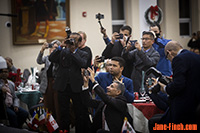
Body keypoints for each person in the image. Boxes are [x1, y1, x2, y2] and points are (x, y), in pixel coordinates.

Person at [150, 41, 200, 128]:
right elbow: (192, 78)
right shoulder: (195, 56)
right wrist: (174, 79)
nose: (169, 60)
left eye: (167, 57)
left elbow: (178, 85)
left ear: (169, 52)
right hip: (196, 103)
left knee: (159, 125)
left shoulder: (178, 58)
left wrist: (164, 88)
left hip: (184, 106)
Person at [49, 32, 88, 132]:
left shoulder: (83, 53)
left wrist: (73, 51)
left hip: (76, 86)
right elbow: (51, 58)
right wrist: (60, 46)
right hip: (62, 85)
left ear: (79, 43)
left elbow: (82, 64)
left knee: (78, 112)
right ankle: (64, 131)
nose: (71, 41)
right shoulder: (62, 51)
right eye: (70, 39)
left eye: (74, 40)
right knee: (63, 112)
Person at [82, 67, 127, 133]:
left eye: (111, 87)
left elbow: (106, 98)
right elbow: (87, 101)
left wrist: (94, 82)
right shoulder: (104, 103)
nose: (107, 87)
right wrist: (85, 85)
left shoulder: (121, 102)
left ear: (118, 92)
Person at [0, 56, 28, 128]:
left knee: (25, 113)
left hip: (12, 105)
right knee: (13, 115)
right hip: (3, 107)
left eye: (6, 72)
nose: (4, 74)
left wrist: (16, 105)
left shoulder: (11, 83)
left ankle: (18, 128)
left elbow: (15, 97)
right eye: (2, 72)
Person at [36, 40, 61, 122]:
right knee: (48, 106)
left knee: (57, 107)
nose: (53, 49)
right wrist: (42, 50)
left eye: (56, 48)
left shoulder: (60, 58)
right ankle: (48, 125)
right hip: (47, 84)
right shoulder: (47, 58)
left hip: (57, 84)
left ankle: (58, 126)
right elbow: (39, 61)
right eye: (52, 47)